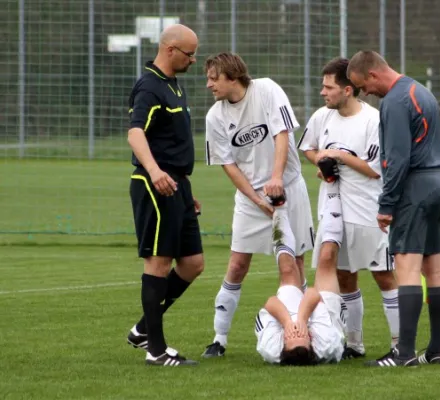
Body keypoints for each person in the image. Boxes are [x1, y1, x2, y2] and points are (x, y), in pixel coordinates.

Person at [202, 52, 314, 357]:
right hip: (251, 201)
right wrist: (257, 199)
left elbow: (282, 133)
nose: (209, 84)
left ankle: (302, 331)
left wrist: (276, 179)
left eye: (214, 78)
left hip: (289, 190)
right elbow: (227, 163)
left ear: (232, 75)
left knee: (295, 263)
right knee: (237, 265)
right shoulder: (215, 116)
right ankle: (219, 338)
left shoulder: (266, 90)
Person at [347, 50, 440, 367]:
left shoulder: (394, 101)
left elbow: (396, 159)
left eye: (362, 86)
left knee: (406, 269)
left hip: (415, 189)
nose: (365, 93)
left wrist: (386, 204)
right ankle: (436, 351)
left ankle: (404, 353)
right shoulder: (420, 90)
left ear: (372, 75)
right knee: (434, 270)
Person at [298, 57, 399, 360]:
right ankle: (354, 344)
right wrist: (322, 162)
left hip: (368, 209)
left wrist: (338, 155)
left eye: (328, 87)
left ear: (348, 90)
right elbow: (308, 148)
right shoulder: (322, 117)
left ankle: (398, 344)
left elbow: (374, 170)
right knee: (344, 276)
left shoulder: (373, 120)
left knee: (382, 274)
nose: (322, 92)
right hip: (332, 208)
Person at [125, 24, 204, 367]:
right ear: (170, 49)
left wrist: (187, 189)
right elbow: (135, 134)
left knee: (192, 264)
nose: (194, 60)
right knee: (158, 264)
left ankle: (144, 328)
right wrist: (156, 172)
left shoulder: (174, 86)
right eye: (190, 54)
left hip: (178, 187)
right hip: (155, 185)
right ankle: (156, 351)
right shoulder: (149, 86)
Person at [255, 182, 346, 365]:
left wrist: (288, 322)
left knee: (288, 269)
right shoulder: (326, 343)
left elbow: (271, 302)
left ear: (283, 342)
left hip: (285, 318)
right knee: (326, 258)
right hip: (328, 317)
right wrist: (303, 320)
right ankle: (334, 190)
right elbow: (313, 294)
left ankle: (279, 206)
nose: (296, 332)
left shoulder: (270, 346)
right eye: (301, 335)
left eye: (291, 336)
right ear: (311, 338)